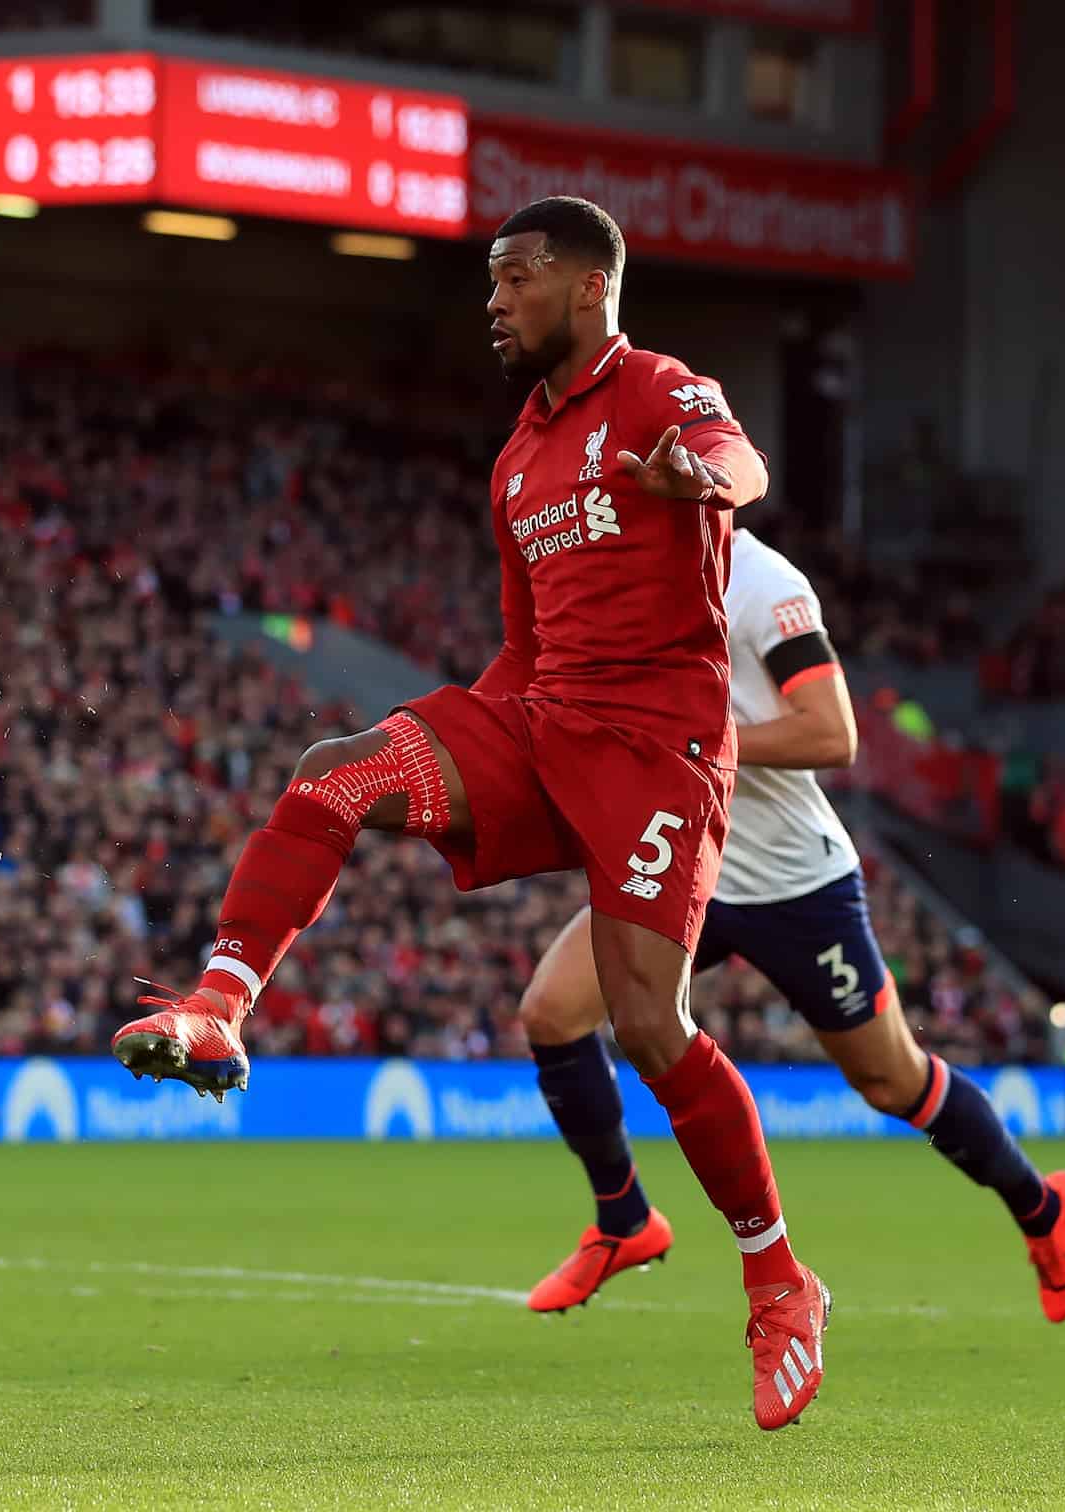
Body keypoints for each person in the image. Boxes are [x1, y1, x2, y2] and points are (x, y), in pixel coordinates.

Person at [112, 195, 830, 1429]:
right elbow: (524, 645)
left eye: (515, 279)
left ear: (587, 284)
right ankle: (220, 1007)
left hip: (662, 751)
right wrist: (441, 744)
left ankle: (779, 1278)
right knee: (335, 767)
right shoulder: (516, 459)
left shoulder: (659, 387)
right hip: (545, 719)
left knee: (652, 1029)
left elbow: (745, 466)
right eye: (491, 283)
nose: (492, 303)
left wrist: (698, 475)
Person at [518, 525, 1065, 1324]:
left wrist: (697, 744)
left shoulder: (763, 584)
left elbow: (833, 732)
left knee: (892, 1079)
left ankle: (1042, 1207)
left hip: (795, 883)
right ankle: (625, 1221)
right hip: (686, 862)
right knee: (552, 1011)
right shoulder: (629, 578)